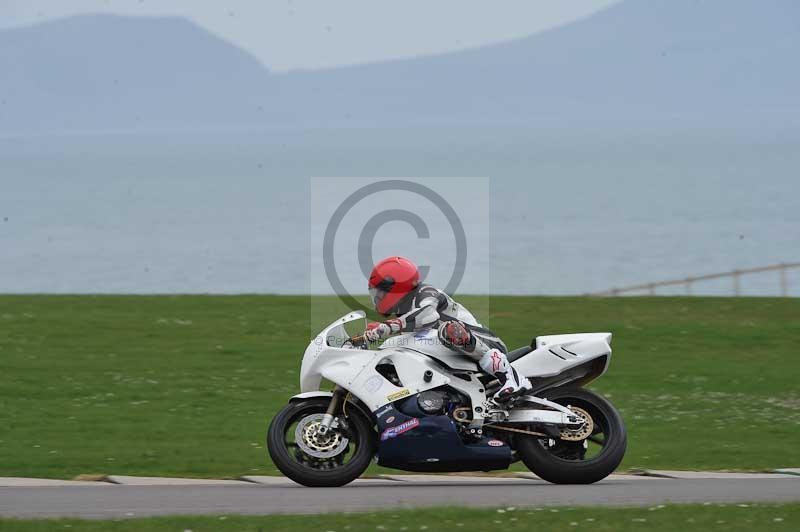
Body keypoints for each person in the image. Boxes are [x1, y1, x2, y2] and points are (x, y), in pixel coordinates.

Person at [358, 256, 531, 402]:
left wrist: (387, 327)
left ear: (395, 287)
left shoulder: (427, 293)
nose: (377, 298)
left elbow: (427, 316)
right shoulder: (404, 313)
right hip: (456, 354)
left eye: (380, 293)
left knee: (449, 330)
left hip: (485, 343)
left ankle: (512, 378)